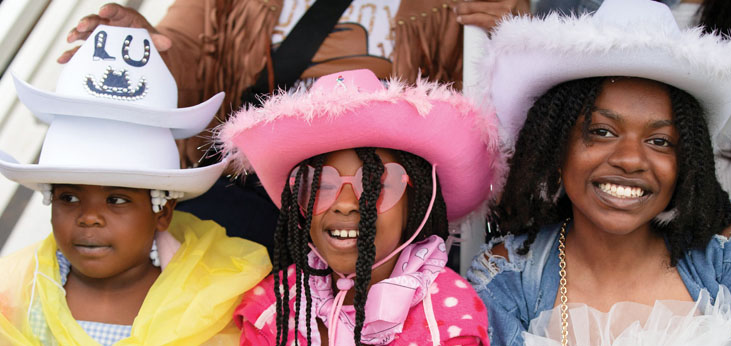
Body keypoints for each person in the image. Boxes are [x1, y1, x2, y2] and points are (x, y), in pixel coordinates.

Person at [468, 0, 731, 346]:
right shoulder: (508, 281)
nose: (630, 159)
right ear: (556, 147)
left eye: (660, 141)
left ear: (686, 161)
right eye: (601, 132)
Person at [56, 0, 530, 254]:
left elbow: (496, 129)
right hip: (253, 190)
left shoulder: (457, 6)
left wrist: (517, 41)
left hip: (385, 202)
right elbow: (181, 53)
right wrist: (145, 54)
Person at [0, 26, 269, 346]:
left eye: (117, 200)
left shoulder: (205, 301)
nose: (89, 217)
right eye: (69, 197)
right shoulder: (16, 293)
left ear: (162, 211)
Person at [218, 69, 499, 346]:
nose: (346, 203)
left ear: (419, 198)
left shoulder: (446, 320)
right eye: (320, 185)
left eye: (375, 184)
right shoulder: (271, 310)